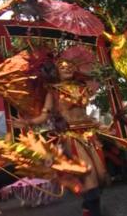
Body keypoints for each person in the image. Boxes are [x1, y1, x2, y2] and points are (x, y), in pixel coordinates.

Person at [13, 46, 107, 216]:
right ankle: (93, 211)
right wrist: (27, 122)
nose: (67, 68)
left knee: (101, 176)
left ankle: (88, 207)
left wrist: (101, 125)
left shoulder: (82, 87)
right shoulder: (53, 90)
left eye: (70, 66)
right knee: (88, 173)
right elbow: (44, 116)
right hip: (71, 135)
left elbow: (88, 113)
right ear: (56, 70)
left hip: (90, 133)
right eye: (62, 67)